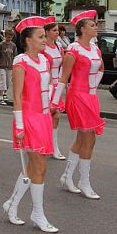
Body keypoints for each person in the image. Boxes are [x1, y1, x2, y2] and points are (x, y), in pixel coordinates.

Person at [2, 16, 59, 233]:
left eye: (45, 36)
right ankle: (37, 213)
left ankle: (12, 204)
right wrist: (18, 125)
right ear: (28, 40)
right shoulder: (20, 62)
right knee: (40, 167)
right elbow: (16, 96)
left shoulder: (44, 60)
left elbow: (50, 84)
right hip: (28, 117)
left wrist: (54, 102)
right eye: (41, 36)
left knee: (33, 167)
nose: (45, 40)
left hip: (43, 117)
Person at [54, 10, 104, 199]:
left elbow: (100, 68)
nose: (96, 27)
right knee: (88, 138)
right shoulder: (73, 50)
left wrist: (93, 86)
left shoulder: (95, 49)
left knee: (83, 139)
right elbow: (63, 77)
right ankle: (84, 182)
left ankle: (67, 176)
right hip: (77, 96)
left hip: (91, 97)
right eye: (92, 25)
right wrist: (54, 101)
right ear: (82, 29)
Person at [43, 18, 66, 160]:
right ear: (46, 32)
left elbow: (63, 64)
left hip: (57, 85)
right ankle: (48, 145)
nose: (57, 32)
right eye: (54, 30)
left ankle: (52, 145)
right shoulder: (42, 47)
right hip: (46, 85)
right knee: (50, 115)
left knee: (55, 116)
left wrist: (63, 82)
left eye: (57, 30)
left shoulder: (59, 46)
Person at [0, 28, 17, 105]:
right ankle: (0, 97)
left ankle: (4, 93)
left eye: (11, 37)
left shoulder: (13, 46)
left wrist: (14, 65)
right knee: (2, 81)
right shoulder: (1, 45)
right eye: (8, 36)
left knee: (7, 83)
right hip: (2, 65)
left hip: (10, 66)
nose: (9, 38)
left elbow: (14, 55)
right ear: (5, 36)